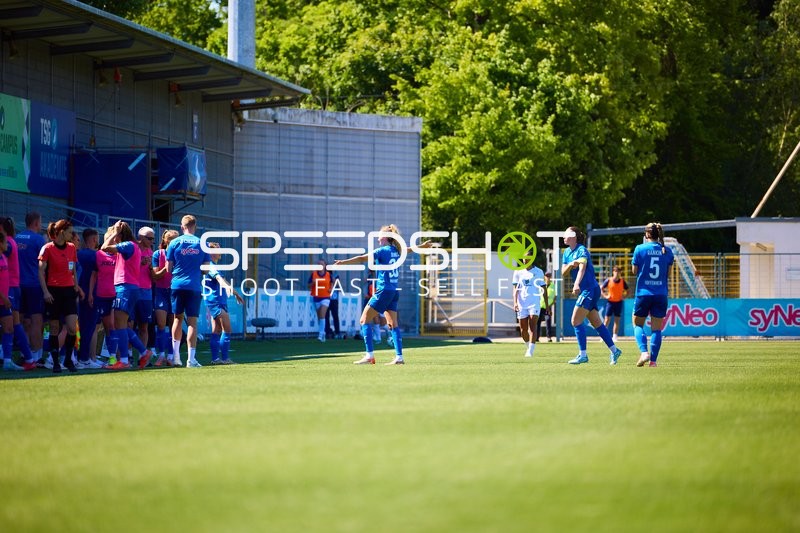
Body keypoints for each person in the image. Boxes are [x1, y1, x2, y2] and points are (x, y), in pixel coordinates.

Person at [334, 225, 432, 365]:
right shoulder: (396, 251)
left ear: (385, 237)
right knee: (393, 324)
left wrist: (344, 262)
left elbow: (362, 258)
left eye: (379, 235)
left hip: (384, 290)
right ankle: (399, 357)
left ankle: (369, 356)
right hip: (393, 291)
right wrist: (421, 246)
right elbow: (408, 250)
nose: (378, 237)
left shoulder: (382, 251)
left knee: (364, 320)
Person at [561, 226, 622, 365]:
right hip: (587, 290)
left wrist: (576, 284)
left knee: (575, 321)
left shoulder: (581, 250)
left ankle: (583, 355)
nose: (564, 236)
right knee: (597, 323)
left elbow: (582, 268)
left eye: (567, 234)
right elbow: (564, 272)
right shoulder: (566, 253)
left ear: (574, 236)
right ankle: (615, 350)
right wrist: (571, 264)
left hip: (589, 289)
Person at [101, 220, 152, 370]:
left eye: (116, 235)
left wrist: (115, 233)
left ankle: (125, 359)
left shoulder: (128, 245)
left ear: (120, 234)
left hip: (125, 288)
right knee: (121, 325)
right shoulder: (132, 246)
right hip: (129, 288)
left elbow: (104, 247)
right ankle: (143, 352)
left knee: (120, 324)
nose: (113, 237)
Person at [39, 219, 84, 373]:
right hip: (53, 292)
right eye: (70, 232)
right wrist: (45, 292)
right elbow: (41, 271)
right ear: (61, 232)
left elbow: (73, 270)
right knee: (54, 327)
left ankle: (68, 359)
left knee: (72, 328)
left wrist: (76, 286)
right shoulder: (47, 249)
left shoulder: (71, 248)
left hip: (69, 292)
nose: (72, 235)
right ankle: (56, 362)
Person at [166, 215, 210, 368]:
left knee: (177, 319)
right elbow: (206, 270)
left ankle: (176, 357)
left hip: (177, 285)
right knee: (192, 323)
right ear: (195, 226)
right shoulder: (202, 243)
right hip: (193, 286)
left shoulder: (174, 242)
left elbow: (168, 268)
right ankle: (191, 360)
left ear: (181, 226)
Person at [631, 222, 675, 367]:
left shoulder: (639, 249)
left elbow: (634, 271)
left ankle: (644, 352)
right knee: (656, 328)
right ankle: (653, 362)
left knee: (637, 324)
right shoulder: (667, 251)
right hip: (660, 294)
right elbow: (668, 274)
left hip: (643, 293)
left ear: (647, 234)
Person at [0, 217, 35, 370]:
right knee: (14, 323)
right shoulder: (10, 240)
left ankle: (26, 357)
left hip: (10, 288)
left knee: (13, 323)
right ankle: (27, 357)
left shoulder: (7, 243)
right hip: (12, 287)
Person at [203, 242, 244, 364]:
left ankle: (215, 359)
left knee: (216, 330)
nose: (220, 251)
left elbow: (224, 280)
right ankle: (225, 359)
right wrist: (225, 287)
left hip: (218, 301)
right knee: (227, 329)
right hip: (215, 301)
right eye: (218, 249)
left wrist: (235, 293)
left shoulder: (214, 265)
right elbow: (220, 279)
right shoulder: (210, 265)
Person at [15, 212, 47, 364]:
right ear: (36, 223)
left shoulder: (16, 238)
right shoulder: (38, 240)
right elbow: (45, 264)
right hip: (34, 285)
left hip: (18, 285)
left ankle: (24, 353)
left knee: (20, 320)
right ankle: (36, 355)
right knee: (36, 321)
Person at [90, 227, 117, 367]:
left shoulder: (118, 256)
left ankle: (113, 357)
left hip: (113, 296)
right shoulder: (99, 255)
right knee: (95, 326)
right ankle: (92, 358)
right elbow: (94, 275)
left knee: (111, 327)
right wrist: (90, 293)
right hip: (100, 296)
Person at [76, 228, 103, 369]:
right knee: (90, 327)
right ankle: (85, 357)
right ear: (94, 239)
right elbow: (96, 275)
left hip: (79, 293)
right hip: (93, 294)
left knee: (81, 326)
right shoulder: (97, 256)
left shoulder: (77, 254)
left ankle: (82, 356)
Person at [152, 229, 179, 366]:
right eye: (173, 239)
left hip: (175, 291)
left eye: (177, 239)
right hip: (161, 291)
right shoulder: (158, 254)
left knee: (173, 324)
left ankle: (171, 355)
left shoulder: (180, 254)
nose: (176, 242)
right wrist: (166, 268)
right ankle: (161, 354)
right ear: (166, 241)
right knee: (161, 324)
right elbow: (155, 276)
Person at [511, 255, 546, 358]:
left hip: (534, 303)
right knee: (523, 330)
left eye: (528, 258)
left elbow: (543, 288)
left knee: (533, 327)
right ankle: (529, 347)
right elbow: (515, 289)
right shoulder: (518, 272)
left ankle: (530, 351)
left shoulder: (538, 271)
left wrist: (547, 305)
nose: (525, 260)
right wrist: (515, 303)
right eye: (524, 258)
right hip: (522, 304)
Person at [133, 227, 156, 363]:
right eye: (149, 238)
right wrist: (139, 263)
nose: (152, 241)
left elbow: (152, 274)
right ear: (140, 237)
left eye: (153, 238)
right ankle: (127, 355)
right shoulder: (133, 249)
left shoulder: (150, 252)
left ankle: (143, 357)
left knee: (144, 326)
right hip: (132, 290)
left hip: (146, 292)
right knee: (129, 325)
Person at [601, 265, 629, 343]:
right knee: (606, 320)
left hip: (618, 302)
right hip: (610, 302)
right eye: (615, 271)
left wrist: (624, 296)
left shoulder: (622, 281)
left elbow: (628, 290)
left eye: (618, 271)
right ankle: (603, 336)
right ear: (613, 272)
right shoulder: (608, 280)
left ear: (620, 273)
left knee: (617, 320)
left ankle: (615, 336)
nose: (617, 273)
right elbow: (602, 288)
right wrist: (606, 296)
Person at [308, 259, 333, 342]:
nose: (320, 265)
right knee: (319, 317)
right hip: (316, 297)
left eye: (322, 264)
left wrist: (330, 289)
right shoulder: (314, 274)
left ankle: (321, 334)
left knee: (322, 314)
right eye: (318, 264)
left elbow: (332, 283)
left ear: (325, 266)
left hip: (325, 297)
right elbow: (308, 285)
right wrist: (313, 283)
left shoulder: (328, 275)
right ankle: (323, 333)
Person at [537, 271, 556, 342]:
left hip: (548, 307)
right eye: (547, 276)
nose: (548, 277)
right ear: (544, 277)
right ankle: (536, 337)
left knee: (548, 321)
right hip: (540, 306)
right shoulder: (540, 285)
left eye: (549, 276)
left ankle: (549, 337)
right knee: (537, 322)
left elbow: (554, 297)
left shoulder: (553, 286)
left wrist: (550, 306)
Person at [325, 274, 342, 339]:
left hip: (334, 300)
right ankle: (328, 332)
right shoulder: (327, 276)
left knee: (335, 316)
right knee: (326, 316)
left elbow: (339, 287)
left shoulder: (335, 277)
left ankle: (337, 332)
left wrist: (335, 281)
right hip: (327, 299)